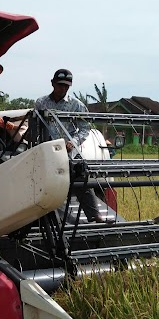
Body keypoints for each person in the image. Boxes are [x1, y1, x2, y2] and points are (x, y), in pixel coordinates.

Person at [35, 68, 104, 222]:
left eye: (66, 86)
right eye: (60, 85)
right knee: (45, 182)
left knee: (80, 176)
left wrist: (73, 142)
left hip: (67, 151)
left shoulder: (76, 105)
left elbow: (85, 127)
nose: (63, 88)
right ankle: (45, 216)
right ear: (52, 83)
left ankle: (94, 215)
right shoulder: (41, 102)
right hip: (47, 150)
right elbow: (36, 126)